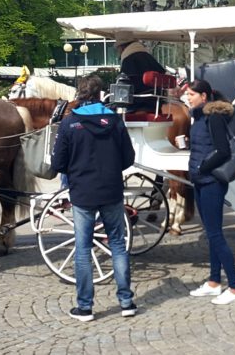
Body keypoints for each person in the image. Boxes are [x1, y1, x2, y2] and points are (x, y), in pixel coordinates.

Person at [50, 75, 137, 322]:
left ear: (80, 94)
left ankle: (85, 306)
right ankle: (126, 301)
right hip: (111, 190)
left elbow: (58, 163)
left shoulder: (70, 124)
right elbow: (128, 158)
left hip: (83, 192)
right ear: (101, 95)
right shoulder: (115, 121)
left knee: (83, 248)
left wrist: (76, 170)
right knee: (118, 245)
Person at [184, 78, 235, 305]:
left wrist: (202, 166)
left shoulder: (214, 117)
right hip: (200, 180)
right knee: (211, 233)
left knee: (216, 235)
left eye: (191, 94)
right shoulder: (198, 116)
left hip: (211, 181)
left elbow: (222, 151)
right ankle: (214, 282)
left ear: (204, 97)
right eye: (187, 94)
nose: (188, 98)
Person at [117, 35, 167, 112]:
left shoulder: (128, 60)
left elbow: (123, 84)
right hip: (156, 103)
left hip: (137, 104)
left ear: (122, 48)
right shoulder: (149, 57)